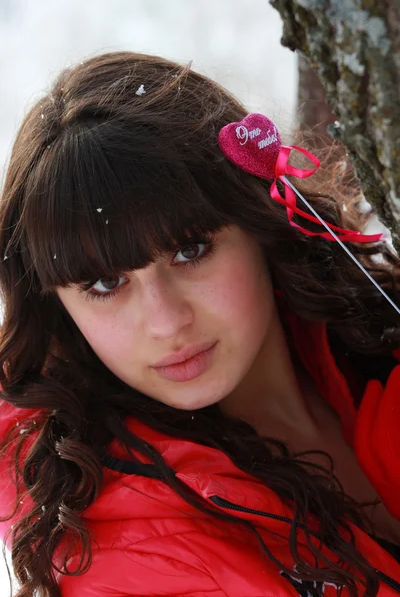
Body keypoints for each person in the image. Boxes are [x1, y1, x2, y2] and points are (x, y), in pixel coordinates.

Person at [0, 51, 400, 597]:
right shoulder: (126, 557)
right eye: (104, 284)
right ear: (58, 311)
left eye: (191, 250)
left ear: (257, 220)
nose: (167, 323)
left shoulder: (375, 341)